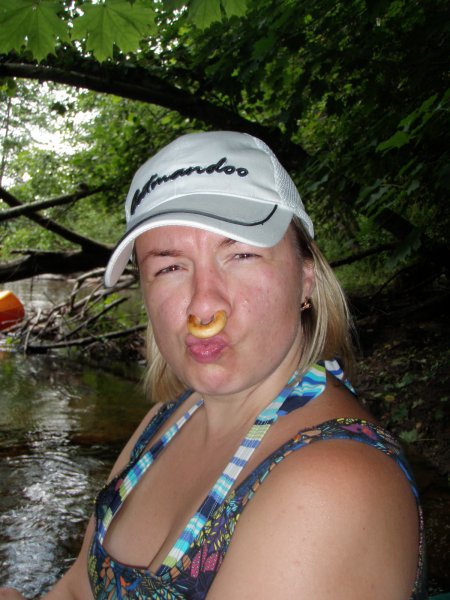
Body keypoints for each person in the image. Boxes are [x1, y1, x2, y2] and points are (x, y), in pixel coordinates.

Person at [0, 131, 426, 599]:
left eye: (241, 254)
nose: (203, 307)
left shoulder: (332, 485)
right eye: (170, 267)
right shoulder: (165, 422)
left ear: (305, 278)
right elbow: (77, 590)